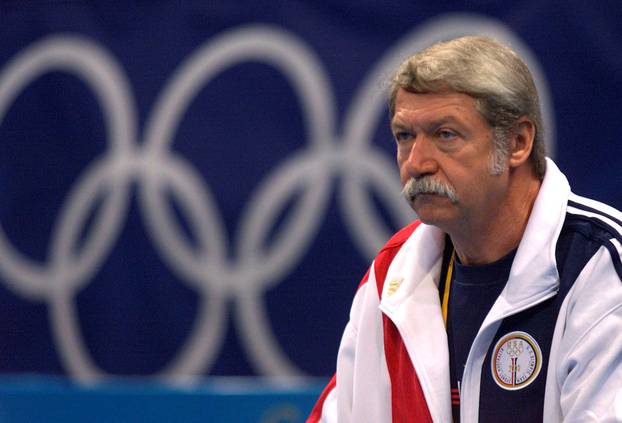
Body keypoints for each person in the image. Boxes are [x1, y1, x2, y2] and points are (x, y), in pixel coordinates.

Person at [307, 36, 622, 422]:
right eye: (405, 136)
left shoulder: (601, 265)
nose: (417, 162)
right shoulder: (393, 274)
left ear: (518, 143)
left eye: (445, 135)